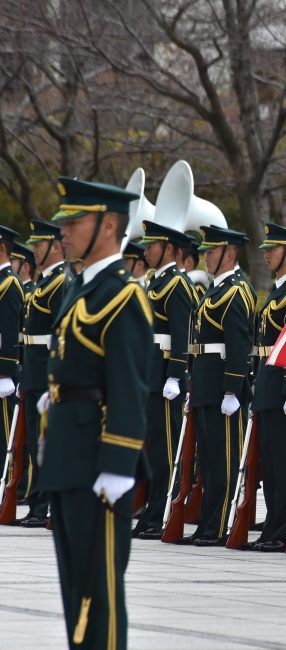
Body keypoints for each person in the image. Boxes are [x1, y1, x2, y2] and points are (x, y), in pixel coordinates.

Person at [36, 176, 152, 650]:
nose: (63, 231)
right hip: (68, 455)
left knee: (98, 591)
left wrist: (119, 464)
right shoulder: (81, 288)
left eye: (74, 221)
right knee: (74, 589)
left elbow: (129, 385)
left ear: (108, 226)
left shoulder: (122, 297)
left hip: (96, 461)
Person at [185, 225, 253, 547]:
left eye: (211, 252)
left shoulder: (236, 291)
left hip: (223, 390)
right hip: (204, 385)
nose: (206, 257)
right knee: (209, 459)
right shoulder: (215, 290)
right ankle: (207, 523)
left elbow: (238, 346)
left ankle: (221, 523)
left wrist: (232, 389)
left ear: (230, 253)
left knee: (224, 460)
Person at [247, 223, 286, 552]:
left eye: (273, 249)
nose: (267, 254)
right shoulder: (278, 289)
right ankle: (272, 525)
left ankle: (284, 527)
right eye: (267, 249)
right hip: (269, 386)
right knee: (270, 465)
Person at [131, 221, 196, 539]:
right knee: (152, 448)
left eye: (151, 245)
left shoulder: (177, 286)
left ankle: (162, 513)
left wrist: (175, 375)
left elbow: (182, 335)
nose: (145, 251)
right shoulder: (156, 283)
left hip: (165, 381)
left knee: (165, 450)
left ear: (169, 249)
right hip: (150, 377)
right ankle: (151, 511)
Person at [16, 220, 68, 528]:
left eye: (40, 244)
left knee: (45, 441)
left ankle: (44, 504)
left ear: (56, 246)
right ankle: (36, 502)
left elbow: (60, 334)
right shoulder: (43, 282)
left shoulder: (61, 282)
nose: (34, 249)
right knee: (34, 442)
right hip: (34, 371)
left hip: (46, 371)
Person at [0, 225, 24, 467]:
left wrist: (6, 371)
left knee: (4, 434)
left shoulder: (10, 283)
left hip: (2, 373)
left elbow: (9, 330)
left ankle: (5, 484)